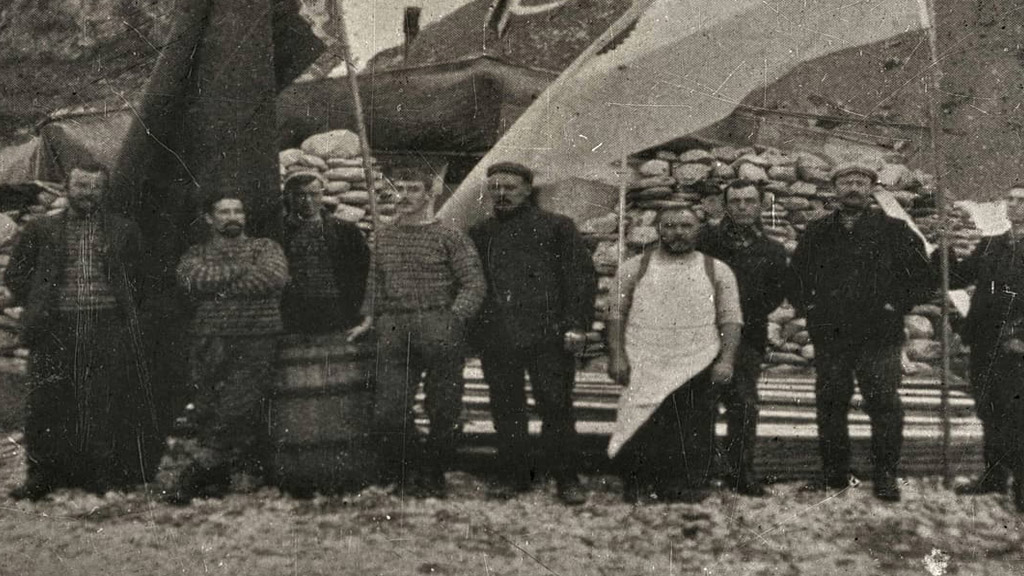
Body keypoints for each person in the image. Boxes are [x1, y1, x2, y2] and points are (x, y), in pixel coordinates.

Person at [6, 162, 159, 500]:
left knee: (101, 400)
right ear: (67, 188)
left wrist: (122, 313)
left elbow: (141, 281)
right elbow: (15, 275)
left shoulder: (122, 230)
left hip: (104, 325)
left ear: (104, 191)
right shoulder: (41, 229)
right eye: (81, 186)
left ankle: (98, 475)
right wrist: (42, 297)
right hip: (54, 327)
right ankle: (42, 476)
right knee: (46, 403)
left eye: (95, 187)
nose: (88, 194)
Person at [787, 161, 933, 501]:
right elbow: (797, 277)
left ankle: (885, 476)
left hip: (879, 335)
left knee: (884, 403)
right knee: (831, 403)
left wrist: (895, 305)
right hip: (832, 335)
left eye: (860, 182)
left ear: (871, 189)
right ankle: (835, 473)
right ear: (835, 189)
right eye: (846, 182)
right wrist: (810, 310)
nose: (853, 188)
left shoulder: (895, 230)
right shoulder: (818, 232)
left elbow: (922, 279)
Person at [348, 168, 485, 498]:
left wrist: (453, 318)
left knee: (443, 407)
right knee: (389, 409)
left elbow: (474, 284)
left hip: (438, 325)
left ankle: (435, 473)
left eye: (413, 189)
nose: (404, 196)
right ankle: (408, 472)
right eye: (399, 189)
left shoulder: (450, 236)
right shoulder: (383, 236)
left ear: (429, 194)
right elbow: (374, 282)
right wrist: (369, 318)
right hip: (394, 326)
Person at [468, 162, 597, 505]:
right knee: (506, 407)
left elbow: (580, 278)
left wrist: (576, 325)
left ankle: (566, 478)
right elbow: (473, 285)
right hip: (499, 337)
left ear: (528, 189)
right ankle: (514, 475)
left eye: (509, 187)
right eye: (495, 187)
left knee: (555, 406)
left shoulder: (556, 227)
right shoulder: (480, 233)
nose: (501, 194)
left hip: (549, 336)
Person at [606, 207, 743, 503]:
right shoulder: (634, 267)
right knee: (641, 418)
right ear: (658, 229)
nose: (678, 232)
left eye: (686, 226)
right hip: (645, 356)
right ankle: (639, 483)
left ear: (698, 230)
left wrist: (726, 360)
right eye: (669, 226)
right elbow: (615, 313)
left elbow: (731, 318)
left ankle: (684, 484)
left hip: (698, 359)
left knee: (693, 422)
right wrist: (617, 355)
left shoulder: (716, 270)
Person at [168, 194, 290, 504]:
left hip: (257, 335)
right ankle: (219, 476)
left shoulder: (265, 248)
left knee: (240, 402)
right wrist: (241, 272)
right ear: (210, 218)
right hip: (210, 337)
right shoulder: (197, 253)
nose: (232, 216)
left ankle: (197, 470)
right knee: (208, 403)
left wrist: (218, 289)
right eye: (224, 211)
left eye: (238, 210)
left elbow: (272, 277)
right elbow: (192, 280)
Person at [697, 179, 787, 496]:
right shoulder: (704, 240)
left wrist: (743, 312)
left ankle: (741, 473)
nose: (743, 207)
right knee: (701, 405)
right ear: (725, 205)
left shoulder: (772, 249)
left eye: (749, 201)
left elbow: (776, 292)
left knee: (744, 405)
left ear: (761, 205)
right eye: (735, 202)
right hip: (703, 333)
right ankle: (700, 471)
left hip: (749, 337)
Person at [947, 184, 1024, 512]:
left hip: (1018, 348)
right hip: (986, 343)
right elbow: (957, 277)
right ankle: (994, 475)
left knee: (1018, 417)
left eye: (1022, 201)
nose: (1015, 205)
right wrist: (945, 247)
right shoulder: (993, 245)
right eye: (1010, 199)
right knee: (989, 410)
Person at [280, 171, 369, 334]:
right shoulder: (279, 233)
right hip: (294, 311)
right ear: (288, 197)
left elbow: (362, 272)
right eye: (300, 195)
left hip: (335, 309)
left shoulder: (344, 231)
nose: (307, 201)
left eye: (313, 194)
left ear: (322, 195)